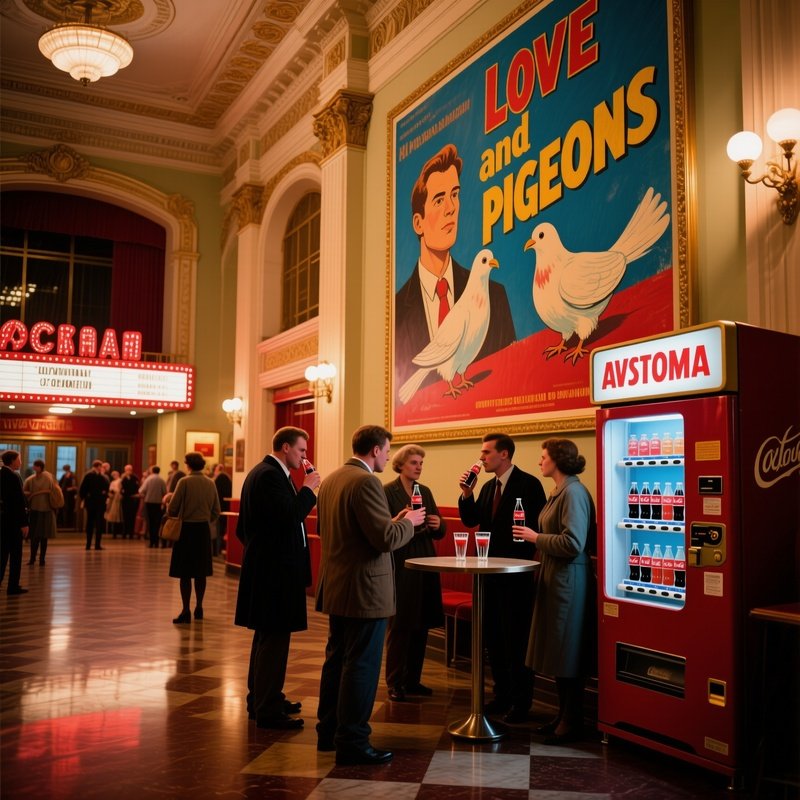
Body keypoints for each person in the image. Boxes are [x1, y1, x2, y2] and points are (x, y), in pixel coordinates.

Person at [315, 425, 425, 765]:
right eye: (387, 450)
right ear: (375, 450)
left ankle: (329, 732)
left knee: (337, 661)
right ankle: (353, 741)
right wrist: (410, 522)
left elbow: (344, 530)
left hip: (337, 584)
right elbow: (385, 541)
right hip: (363, 590)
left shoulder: (334, 478)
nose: (389, 456)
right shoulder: (366, 482)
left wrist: (394, 520)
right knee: (360, 666)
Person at [394, 142, 516, 391]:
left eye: (455, 195)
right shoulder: (396, 313)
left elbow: (511, 376)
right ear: (418, 223)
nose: (451, 208)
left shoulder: (497, 297)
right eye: (439, 200)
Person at [234, 427, 321, 730]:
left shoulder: (269, 473)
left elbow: (244, 530)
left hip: (270, 569)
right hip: (274, 573)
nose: (304, 457)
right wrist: (309, 489)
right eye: (301, 450)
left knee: (267, 638)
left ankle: (262, 697)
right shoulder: (270, 474)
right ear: (286, 447)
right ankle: (267, 709)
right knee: (274, 639)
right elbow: (289, 515)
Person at [457, 432, 546, 724]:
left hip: (516, 575)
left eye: (486, 453)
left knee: (516, 639)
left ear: (504, 454)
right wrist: (466, 495)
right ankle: (501, 694)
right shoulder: (485, 487)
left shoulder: (529, 484)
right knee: (493, 637)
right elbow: (472, 522)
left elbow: (538, 529)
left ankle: (522, 702)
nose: (481, 458)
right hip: (488, 575)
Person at [513, 438, 597, 744]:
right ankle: (563, 715)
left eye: (543, 456)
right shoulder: (560, 490)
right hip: (556, 575)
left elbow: (573, 543)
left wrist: (535, 538)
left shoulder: (573, 492)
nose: (540, 461)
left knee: (568, 649)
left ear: (558, 460)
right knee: (560, 650)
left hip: (569, 579)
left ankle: (572, 719)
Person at [383, 444, 446, 701]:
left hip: (425, 559)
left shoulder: (425, 491)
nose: (419, 467)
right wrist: (402, 521)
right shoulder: (387, 491)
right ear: (400, 465)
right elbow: (384, 528)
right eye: (414, 463)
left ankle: (413, 680)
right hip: (402, 560)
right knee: (401, 624)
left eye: (421, 463)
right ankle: (395, 682)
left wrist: (438, 524)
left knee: (421, 622)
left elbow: (439, 530)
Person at [166, 452, 220, 623]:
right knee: (201, 572)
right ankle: (199, 607)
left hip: (186, 531)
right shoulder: (210, 483)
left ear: (188, 465)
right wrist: (205, 519)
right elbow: (216, 510)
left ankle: (185, 610)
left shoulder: (184, 482)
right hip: (202, 530)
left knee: (185, 573)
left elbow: (172, 508)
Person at [1, 450, 29, 595]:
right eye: (19, 459)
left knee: (3, 553)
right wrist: (24, 523)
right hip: (13, 523)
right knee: (15, 555)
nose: (21, 462)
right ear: (12, 460)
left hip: (4, 521)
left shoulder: (1, 474)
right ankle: (12, 586)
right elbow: (18, 502)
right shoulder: (12, 476)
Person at [22, 459, 57, 566]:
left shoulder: (47, 477)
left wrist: (32, 494)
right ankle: (34, 559)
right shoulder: (32, 478)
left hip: (45, 509)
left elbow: (49, 490)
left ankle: (41, 559)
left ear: (40, 467)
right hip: (36, 509)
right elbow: (24, 490)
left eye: (36, 466)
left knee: (43, 536)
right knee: (35, 536)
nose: (34, 467)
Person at [80, 460, 110, 550]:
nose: (101, 468)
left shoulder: (99, 476)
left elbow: (82, 490)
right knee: (94, 523)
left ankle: (93, 544)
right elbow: (83, 490)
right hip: (95, 503)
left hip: (95, 503)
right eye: (100, 466)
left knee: (95, 523)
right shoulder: (93, 476)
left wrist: (86, 498)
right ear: (98, 466)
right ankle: (92, 544)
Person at [139, 466, 168, 548]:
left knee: (150, 523)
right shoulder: (162, 480)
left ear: (152, 471)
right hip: (158, 503)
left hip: (149, 502)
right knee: (157, 523)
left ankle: (152, 542)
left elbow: (141, 490)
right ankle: (156, 542)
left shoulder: (148, 479)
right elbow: (165, 492)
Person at [212, 464, 232, 556]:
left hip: (220, 508)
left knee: (218, 531)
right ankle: (219, 550)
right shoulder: (228, 478)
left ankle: (217, 551)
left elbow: (215, 495)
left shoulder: (219, 479)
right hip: (227, 507)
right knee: (222, 530)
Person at [120, 465, 140, 539]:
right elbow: (120, 488)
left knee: (132, 517)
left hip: (133, 500)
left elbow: (137, 488)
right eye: (127, 470)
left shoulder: (135, 478)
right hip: (125, 500)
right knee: (125, 517)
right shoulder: (123, 478)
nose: (128, 471)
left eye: (129, 469)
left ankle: (131, 533)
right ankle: (124, 533)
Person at [58, 464, 77, 529]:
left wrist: (69, 489)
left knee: (68, 509)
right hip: (65, 495)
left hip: (69, 496)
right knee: (64, 509)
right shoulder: (65, 475)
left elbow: (74, 486)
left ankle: (67, 524)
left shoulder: (72, 476)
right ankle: (64, 523)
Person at [105, 470, 123, 537]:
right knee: (113, 514)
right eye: (113, 475)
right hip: (113, 499)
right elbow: (110, 490)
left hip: (117, 499)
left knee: (117, 514)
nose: (113, 476)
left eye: (114, 475)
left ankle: (117, 531)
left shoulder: (120, 481)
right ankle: (113, 532)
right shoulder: (112, 482)